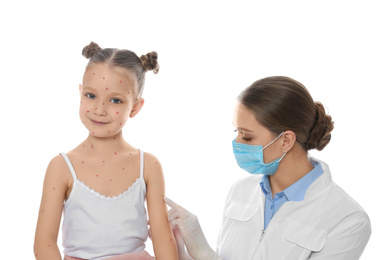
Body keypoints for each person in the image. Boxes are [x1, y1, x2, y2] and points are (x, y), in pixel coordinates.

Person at [165, 76, 371, 259]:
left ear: (286, 141)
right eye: (236, 132)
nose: (237, 143)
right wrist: (185, 254)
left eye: (247, 135)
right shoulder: (240, 191)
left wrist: (205, 254)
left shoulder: (348, 220)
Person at [34, 42, 178, 260]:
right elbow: (44, 243)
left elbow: (161, 234)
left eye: (115, 100)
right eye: (91, 96)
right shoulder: (61, 167)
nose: (99, 109)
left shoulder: (148, 166)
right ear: (80, 92)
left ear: (136, 107)